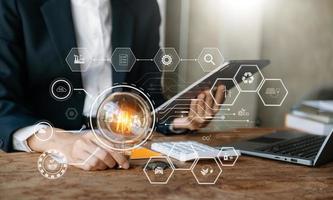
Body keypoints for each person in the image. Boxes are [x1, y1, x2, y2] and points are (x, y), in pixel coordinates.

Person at [0, 0, 225, 171]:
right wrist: (58, 141)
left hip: (124, 153)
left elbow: (147, 96)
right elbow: (3, 103)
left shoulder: (142, 5)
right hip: (44, 157)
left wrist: (177, 118)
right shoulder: (15, 4)